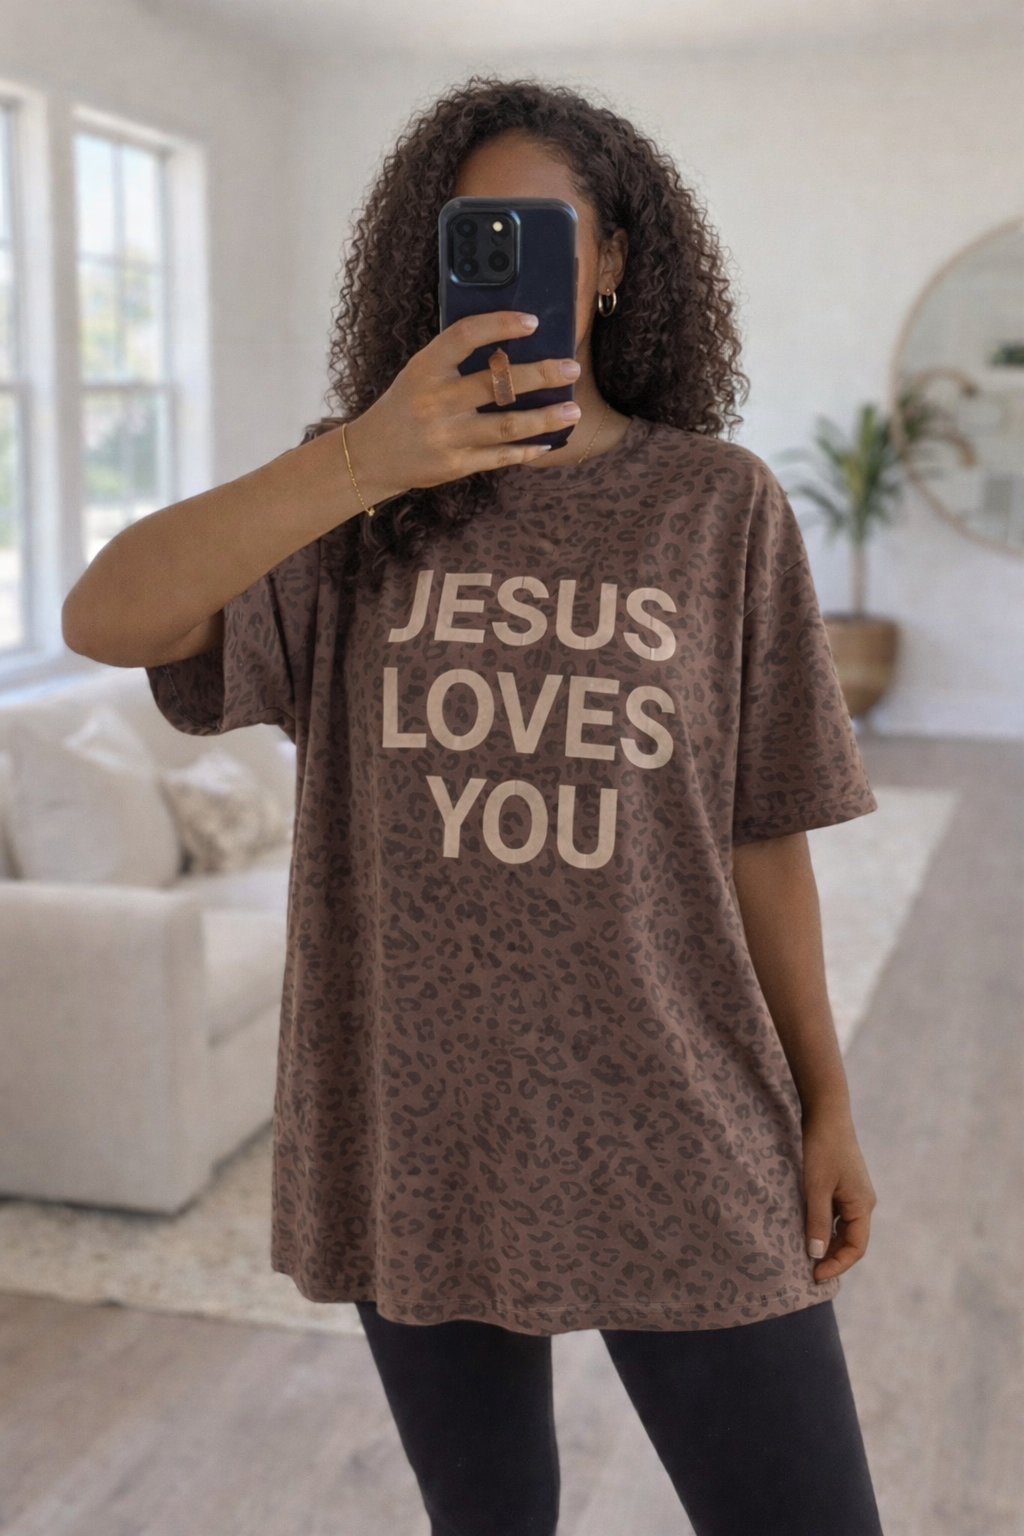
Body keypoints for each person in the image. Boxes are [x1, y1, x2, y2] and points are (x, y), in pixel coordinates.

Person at [63, 77, 885, 1536]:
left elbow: (766, 830)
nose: (503, 267)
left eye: (541, 233)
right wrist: (365, 460)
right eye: (470, 236)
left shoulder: (719, 506)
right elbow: (106, 614)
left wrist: (825, 1098)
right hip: (420, 1123)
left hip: (679, 1115)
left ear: (615, 258)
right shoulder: (352, 506)